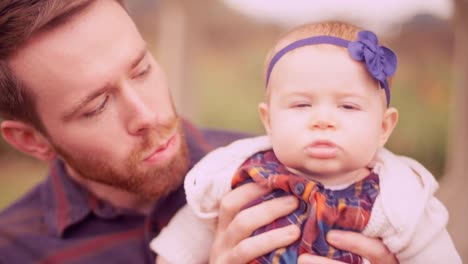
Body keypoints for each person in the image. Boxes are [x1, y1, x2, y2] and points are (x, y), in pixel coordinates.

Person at [0, 1, 400, 263]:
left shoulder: (267, 163)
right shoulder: (15, 250)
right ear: (30, 140)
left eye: (141, 69)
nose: (148, 113)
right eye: (96, 106)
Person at [150, 21, 461, 263]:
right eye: (301, 105)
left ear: (383, 127)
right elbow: (188, 237)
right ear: (268, 119)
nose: (323, 120)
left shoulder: (396, 202)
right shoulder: (239, 173)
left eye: (348, 107)